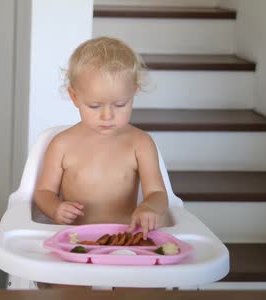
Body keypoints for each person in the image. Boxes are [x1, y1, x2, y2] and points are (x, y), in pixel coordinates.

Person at [33, 37, 168, 240]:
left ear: (134, 93)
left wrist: (149, 207)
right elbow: (44, 191)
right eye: (95, 106)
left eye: (120, 104)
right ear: (74, 97)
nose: (107, 116)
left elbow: (158, 193)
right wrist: (55, 209)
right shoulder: (62, 145)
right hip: (73, 239)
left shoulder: (140, 144)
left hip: (124, 239)